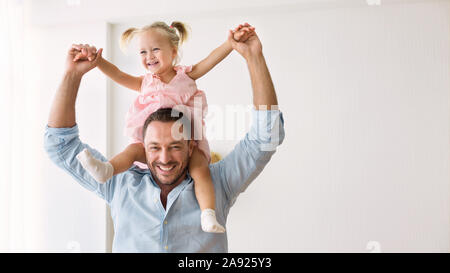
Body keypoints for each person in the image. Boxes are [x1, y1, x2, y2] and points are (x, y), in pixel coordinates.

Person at [44, 25, 285, 252]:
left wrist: (254, 57)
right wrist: (72, 75)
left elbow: (266, 137)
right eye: (154, 147)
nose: (164, 158)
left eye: (175, 146)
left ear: (191, 146)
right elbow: (61, 146)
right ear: (144, 145)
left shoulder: (218, 183)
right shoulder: (120, 184)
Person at [73, 22, 255, 234]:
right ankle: (107, 169)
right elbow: (118, 74)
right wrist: (98, 62)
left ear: (174, 51)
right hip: (153, 143)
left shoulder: (185, 76)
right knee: (132, 151)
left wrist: (230, 43)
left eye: (155, 49)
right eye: (143, 51)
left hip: (187, 142)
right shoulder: (145, 83)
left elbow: (210, 60)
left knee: (200, 170)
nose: (149, 56)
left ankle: (208, 214)